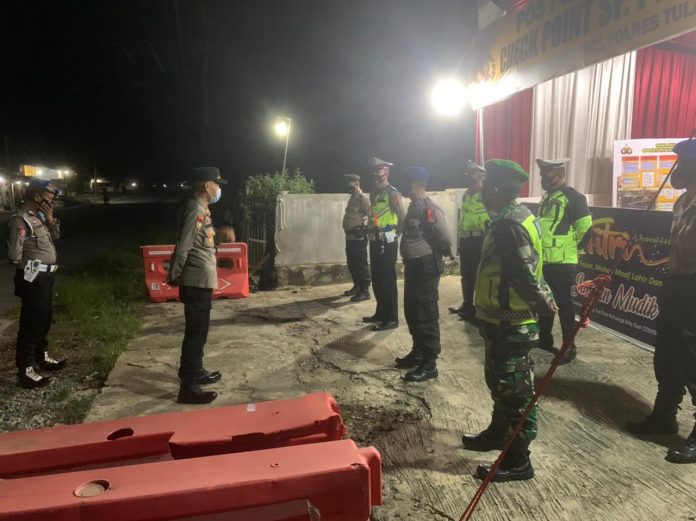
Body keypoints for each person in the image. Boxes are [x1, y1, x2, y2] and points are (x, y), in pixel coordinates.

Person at [461, 160, 556, 482]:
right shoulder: (517, 215)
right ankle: (498, 434)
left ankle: (518, 460)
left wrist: (545, 306)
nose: (482, 193)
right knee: (500, 382)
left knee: (515, 391)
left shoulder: (509, 224)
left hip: (511, 322)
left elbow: (524, 274)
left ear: (497, 189)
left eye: (487, 187)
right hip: (501, 319)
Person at [625, 138, 696, 463]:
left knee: (693, 358)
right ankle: (665, 415)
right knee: (667, 352)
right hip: (676, 284)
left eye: (683, 163)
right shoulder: (682, 202)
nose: (675, 170)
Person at [168, 166, 232, 405]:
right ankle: (188, 388)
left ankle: (196, 371)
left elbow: (204, 243)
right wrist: (174, 274)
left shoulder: (202, 208)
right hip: (195, 281)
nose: (218, 189)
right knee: (195, 334)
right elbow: (184, 245)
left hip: (202, 280)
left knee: (200, 331)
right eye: (217, 185)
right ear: (207, 185)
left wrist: (222, 238)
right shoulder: (194, 209)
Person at [6, 178, 67, 389]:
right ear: (36, 197)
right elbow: (14, 256)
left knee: (44, 319)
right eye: (49, 199)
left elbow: (55, 237)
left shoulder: (39, 217)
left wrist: (50, 219)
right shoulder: (20, 220)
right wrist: (33, 266)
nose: (51, 203)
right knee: (32, 324)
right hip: (33, 278)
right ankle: (25, 370)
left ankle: (42, 358)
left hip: (45, 278)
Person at [394, 167, 451, 382]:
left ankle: (429, 364)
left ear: (413, 184)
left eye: (405, 181)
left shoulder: (430, 206)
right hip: (414, 265)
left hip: (426, 266)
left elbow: (446, 238)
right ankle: (417, 352)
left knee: (426, 314)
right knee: (412, 310)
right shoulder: (414, 206)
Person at [536, 158, 592, 364]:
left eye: (547, 176)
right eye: (542, 176)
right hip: (544, 259)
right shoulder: (548, 197)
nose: (543, 180)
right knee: (545, 301)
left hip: (562, 261)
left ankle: (569, 347)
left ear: (560, 176)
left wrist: (573, 249)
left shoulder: (573, 197)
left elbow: (586, 228)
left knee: (563, 304)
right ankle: (544, 338)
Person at [363, 157, 405, 331]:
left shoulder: (393, 193)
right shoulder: (374, 193)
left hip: (387, 241)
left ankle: (391, 318)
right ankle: (381, 313)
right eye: (374, 170)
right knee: (377, 278)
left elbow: (402, 217)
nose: (375, 173)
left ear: (387, 172)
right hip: (375, 239)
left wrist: (393, 235)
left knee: (387, 279)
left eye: (379, 170)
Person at [449, 160, 489, 322]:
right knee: (466, 274)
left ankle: (479, 308)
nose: (469, 176)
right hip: (466, 239)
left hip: (481, 239)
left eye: (473, 173)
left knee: (480, 275)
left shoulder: (486, 193)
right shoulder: (466, 194)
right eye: (468, 173)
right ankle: (467, 305)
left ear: (482, 175)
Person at [342, 173, 371, 302]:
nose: (347, 185)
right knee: (352, 263)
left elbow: (371, 215)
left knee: (361, 264)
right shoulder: (352, 198)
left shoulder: (362, 198)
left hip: (358, 237)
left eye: (349, 182)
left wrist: (365, 229)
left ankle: (365, 291)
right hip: (350, 236)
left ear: (356, 183)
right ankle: (357, 286)